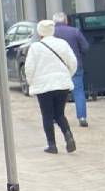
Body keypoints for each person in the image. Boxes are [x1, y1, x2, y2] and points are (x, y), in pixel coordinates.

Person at [25, 20, 78, 154]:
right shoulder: (62, 44)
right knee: (60, 113)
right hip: (62, 84)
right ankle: (68, 136)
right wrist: (67, 75)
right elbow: (73, 62)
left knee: (47, 115)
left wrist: (31, 82)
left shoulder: (35, 47)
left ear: (40, 32)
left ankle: (52, 145)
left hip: (44, 86)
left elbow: (29, 68)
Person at [53, 12, 91, 127]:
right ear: (66, 21)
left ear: (54, 22)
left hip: (57, 67)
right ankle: (82, 117)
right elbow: (85, 47)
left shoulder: (52, 33)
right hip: (75, 65)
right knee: (78, 91)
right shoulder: (75, 31)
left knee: (57, 91)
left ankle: (56, 116)